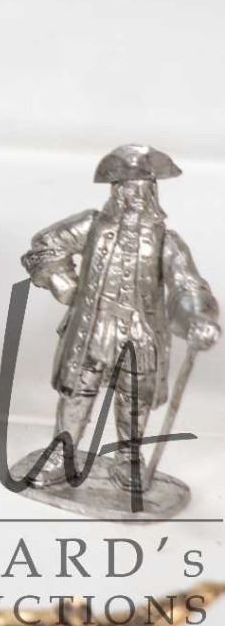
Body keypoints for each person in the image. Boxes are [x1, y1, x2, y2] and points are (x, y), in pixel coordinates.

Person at [22, 145, 218, 494]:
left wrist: (198, 317)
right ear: (115, 190)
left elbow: (187, 286)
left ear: (153, 192)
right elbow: (46, 244)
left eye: (142, 188)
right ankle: (62, 453)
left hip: (140, 335)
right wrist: (63, 282)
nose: (134, 195)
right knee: (76, 392)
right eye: (127, 187)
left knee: (134, 399)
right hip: (91, 329)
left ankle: (128, 458)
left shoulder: (166, 242)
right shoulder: (91, 225)